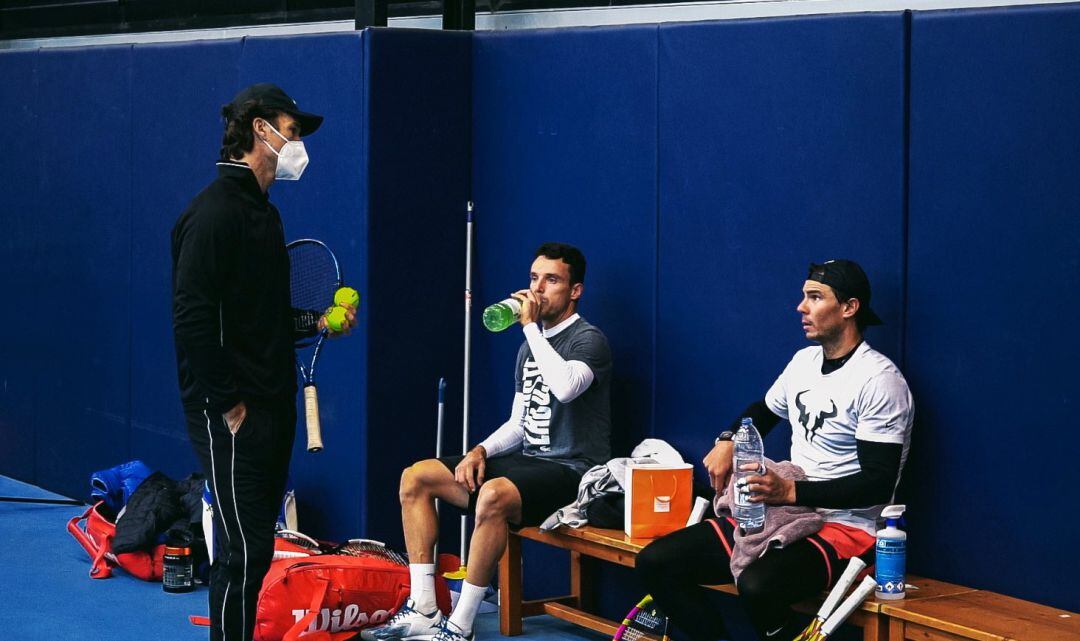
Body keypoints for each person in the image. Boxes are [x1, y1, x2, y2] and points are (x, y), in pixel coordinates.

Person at [636, 259, 914, 641]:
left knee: (758, 586)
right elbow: (762, 413)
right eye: (803, 296)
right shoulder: (804, 362)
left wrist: (789, 491)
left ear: (849, 308)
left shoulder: (880, 380)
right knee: (655, 562)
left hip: (850, 528)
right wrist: (727, 440)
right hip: (787, 513)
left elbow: (877, 484)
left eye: (815, 298)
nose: (801, 307)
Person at [171, 83, 356, 641]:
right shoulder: (212, 215)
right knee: (242, 551)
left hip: (273, 408)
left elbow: (266, 315)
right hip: (233, 415)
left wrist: (318, 323)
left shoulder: (266, 216)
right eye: (292, 131)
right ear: (260, 130)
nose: (297, 145)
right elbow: (192, 321)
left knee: (255, 547)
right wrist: (228, 404)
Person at [363, 242, 613, 641]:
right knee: (417, 476)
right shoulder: (527, 349)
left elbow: (566, 388)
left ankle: (460, 628)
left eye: (551, 280)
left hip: (573, 472)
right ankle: (425, 608)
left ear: (575, 291)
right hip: (529, 464)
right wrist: (479, 450)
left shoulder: (589, 340)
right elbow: (519, 423)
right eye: (534, 278)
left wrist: (531, 328)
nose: (538, 289)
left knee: (494, 494)